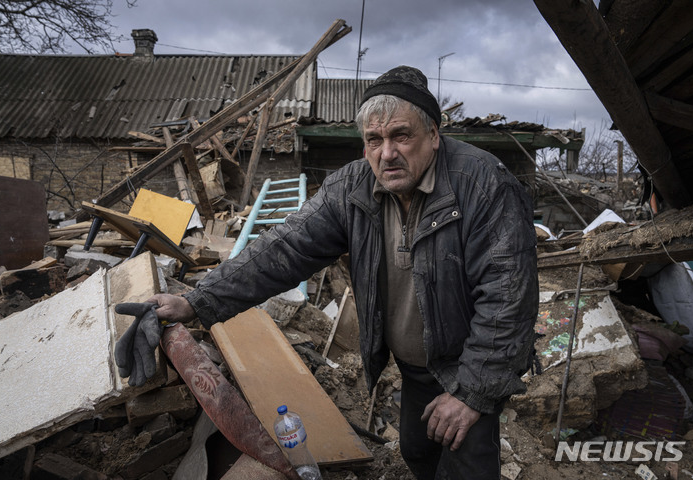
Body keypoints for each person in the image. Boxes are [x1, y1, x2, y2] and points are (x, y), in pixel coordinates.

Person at [121, 65, 538, 480]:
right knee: (417, 451)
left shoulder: (482, 184)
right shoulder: (353, 188)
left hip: (468, 363)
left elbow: (507, 298)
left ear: (433, 134)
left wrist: (470, 394)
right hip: (416, 369)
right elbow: (284, 249)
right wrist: (196, 300)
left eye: (401, 136)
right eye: (374, 140)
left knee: (467, 468)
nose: (386, 153)